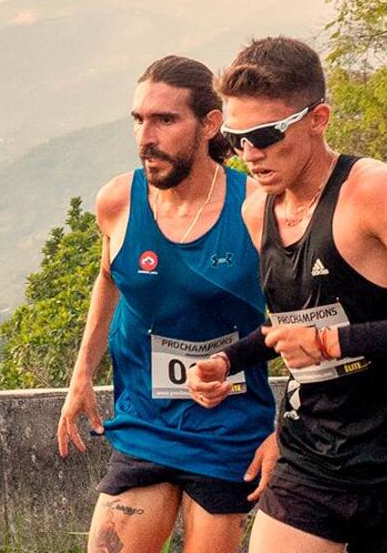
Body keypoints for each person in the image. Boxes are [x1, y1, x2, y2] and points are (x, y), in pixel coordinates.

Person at [187, 37, 387, 553]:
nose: (250, 154)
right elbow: (294, 328)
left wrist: (331, 343)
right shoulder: (254, 208)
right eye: (236, 138)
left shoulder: (373, 190)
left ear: (317, 118)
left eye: (265, 134)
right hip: (310, 453)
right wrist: (226, 360)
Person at [57, 56, 278, 553]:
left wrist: (284, 430)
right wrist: (81, 377)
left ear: (210, 125)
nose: (145, 137)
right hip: (145, 426)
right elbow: (108, 277)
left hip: (230, 431)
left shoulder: (255, 208)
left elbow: (298, 321)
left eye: (165, 120)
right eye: (139, 120)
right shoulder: (118, 201)